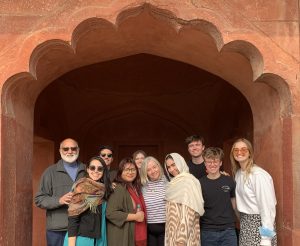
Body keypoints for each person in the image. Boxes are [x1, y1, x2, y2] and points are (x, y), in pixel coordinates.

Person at [34, 138, 86, 246]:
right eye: (66, 149)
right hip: (58, 230)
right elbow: (39, 199)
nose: (70, 151)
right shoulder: (50, 172)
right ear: (60, 151)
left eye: (73, 148)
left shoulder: (87, 170)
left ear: (78, 150)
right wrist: (59, 200)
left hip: (82, 227)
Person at [230, 138, 277, 246]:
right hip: (246, 224)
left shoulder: (258, 175)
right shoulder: (238, 174)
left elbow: (267, 207)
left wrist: (266, 238)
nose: (239, 152)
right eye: (236, 150)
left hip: (259, 225)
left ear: (250, 152)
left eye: (243, 149)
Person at [63, 156, 113, 246]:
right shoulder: (81, 188)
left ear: (103, 171)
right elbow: (73, 218)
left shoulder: (104, 189)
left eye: (100, 168)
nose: (96, 171)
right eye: (92, 167)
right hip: (81, 239)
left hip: (99, 239)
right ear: (88, 169)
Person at [164, 153, 205, 246]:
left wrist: (181, 240)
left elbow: (189, 213)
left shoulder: (189, 181)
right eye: (168, 167)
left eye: (174, 165)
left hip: (185, 238)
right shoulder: (172, 183)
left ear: (180, 162)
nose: (172, 169)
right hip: (172, 236)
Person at [200, 147, 238, 246]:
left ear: (220, 163)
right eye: (209, 162)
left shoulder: (229, 181)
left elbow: (234, 205)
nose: (212, 164)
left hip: (228, 231)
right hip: (207, 231)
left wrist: (240, 222)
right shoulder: (199, 183)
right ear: (205, 163)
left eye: (215, 161)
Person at [106, 158, 147, 246]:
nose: (130, 172)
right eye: (126, 170)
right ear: (121, 172)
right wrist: (135, 216)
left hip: (136, 233)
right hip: (122, 236)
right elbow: (110, 213)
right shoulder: (118, 188)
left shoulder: (136, 188)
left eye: (133, 169)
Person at [140, 156, 167, 246]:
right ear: (145, 172)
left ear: (158, 166)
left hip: (166, 229)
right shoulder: (142, 185)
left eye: (154, 167)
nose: (153, 171)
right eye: (148, 170)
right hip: (149, 229)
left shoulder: (168, 181)